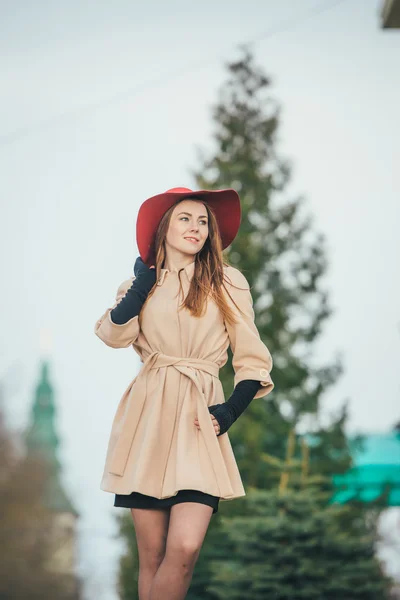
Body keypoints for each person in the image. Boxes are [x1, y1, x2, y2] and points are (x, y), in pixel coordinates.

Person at [94, 186, 274, 600]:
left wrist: (229, 411)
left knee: (186, 548)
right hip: (148, 418)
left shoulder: (227, 281)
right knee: (153, 556)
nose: (196, 228)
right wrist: (142, 283)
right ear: (165, 227)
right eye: (185, 218)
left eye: (203, 221)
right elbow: (112, 334)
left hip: (198, 420)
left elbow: (252, 358)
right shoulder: (137, 284)